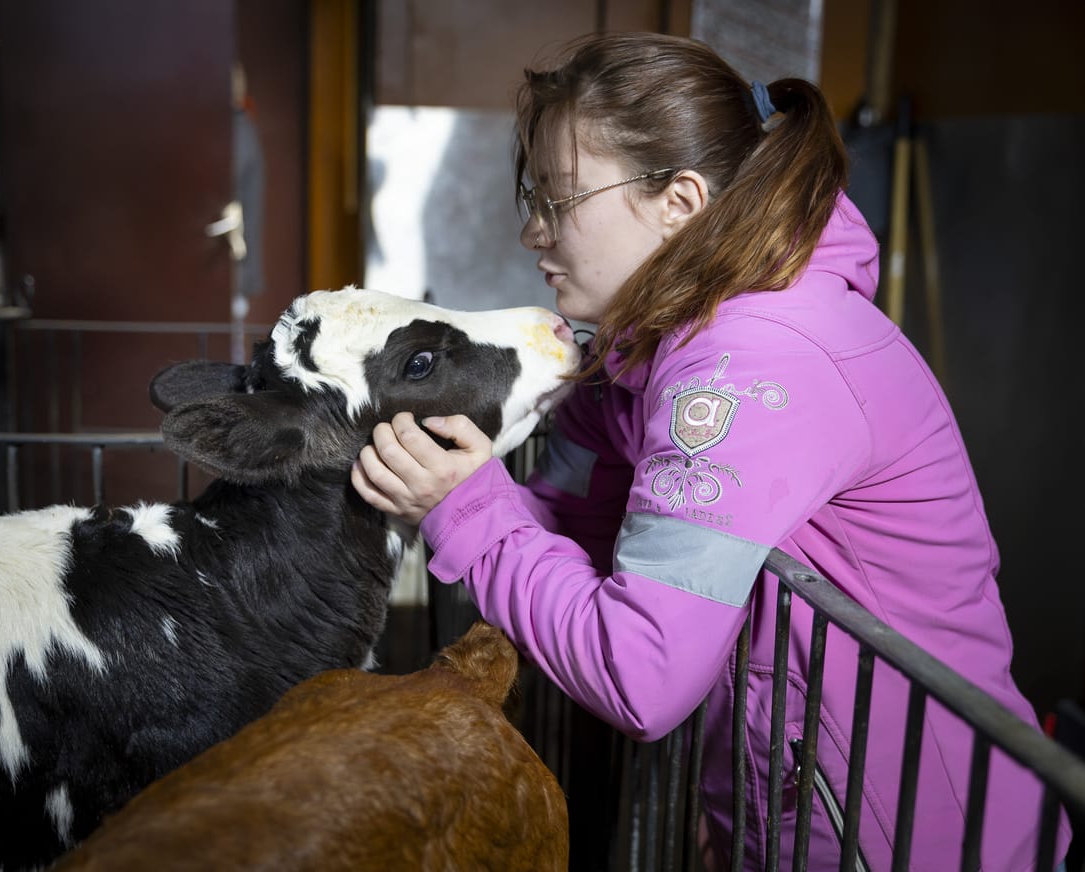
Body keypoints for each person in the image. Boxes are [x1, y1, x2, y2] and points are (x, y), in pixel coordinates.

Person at [351, 31, 1072, 872]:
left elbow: (640, 673)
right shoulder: (648, 351)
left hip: (919, 841)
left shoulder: (751, 363)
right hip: (804, 810)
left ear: (681, 202)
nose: (532, 233)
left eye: (558, 199)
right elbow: (572, 513)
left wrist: (465, 506)